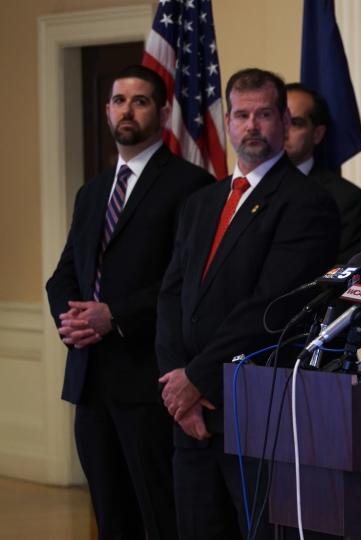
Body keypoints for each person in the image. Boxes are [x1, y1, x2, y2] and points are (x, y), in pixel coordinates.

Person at [155, 68, 340, 540]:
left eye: (264, 114)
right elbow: (172, 296)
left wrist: (196, 379)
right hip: (188, 415)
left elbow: (272, 306)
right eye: (241, 115)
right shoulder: (200, 202)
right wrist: (180, 387)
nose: (252, 125)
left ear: (282, 121)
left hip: (252, 410)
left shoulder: (307, 202)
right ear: (229, 121)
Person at [45, 64, 212, 540]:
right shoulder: (91, 191)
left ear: (162, 112)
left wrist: (113, 315)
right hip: (90, 379)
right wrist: (72, 320)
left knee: (158, 515)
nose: (127, 110)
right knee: (109, 516)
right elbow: (64, 275)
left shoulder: (190, 186)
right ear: (107, 110)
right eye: (119, 100)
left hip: (148, 381)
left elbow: (181, 284)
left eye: (139, 101)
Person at [285, 82, 361, 261]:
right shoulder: (248, 188)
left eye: (295, 123)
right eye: (278, 120)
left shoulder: (345, 198)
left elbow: (343, 272)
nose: (284, 130)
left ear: (317, 134)